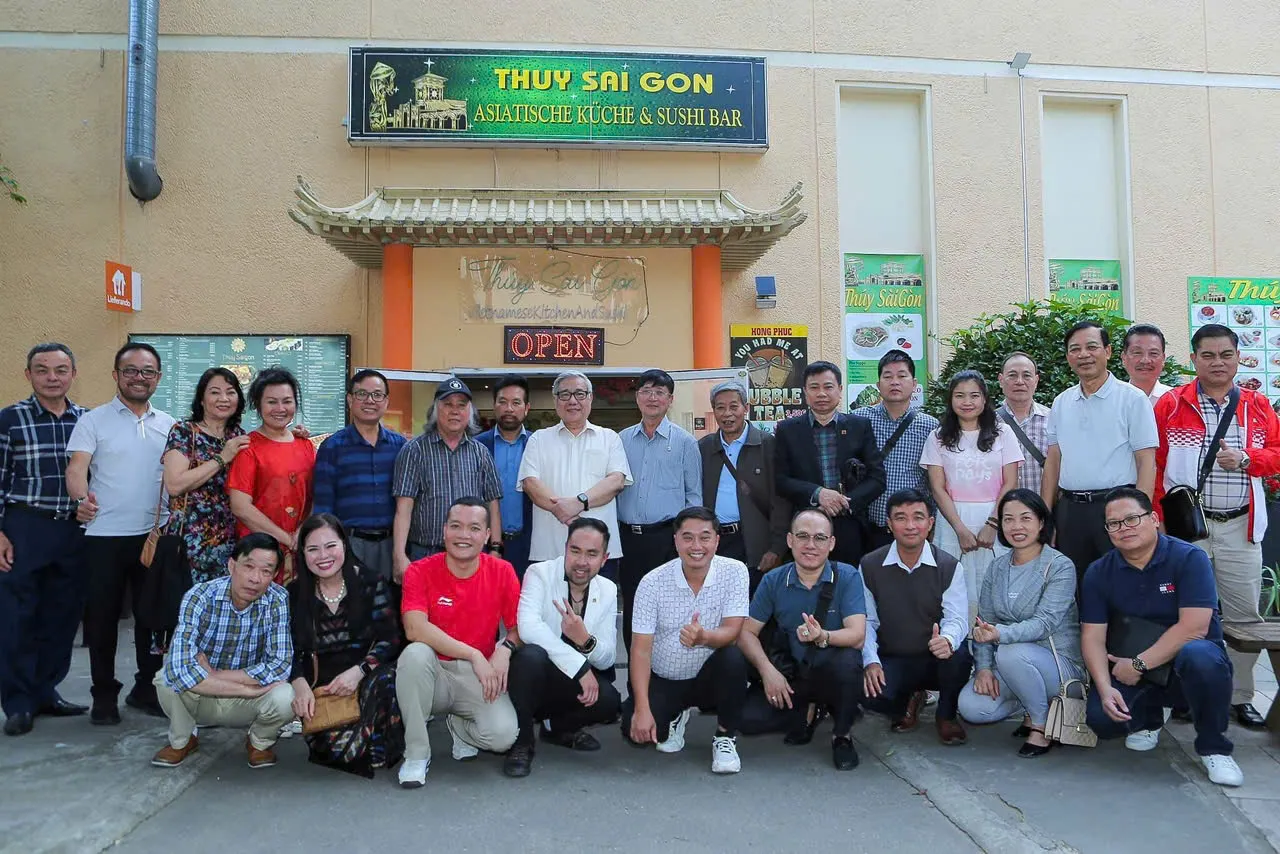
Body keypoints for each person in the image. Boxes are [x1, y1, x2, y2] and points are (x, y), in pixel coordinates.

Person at [1153, 323, 1278, 729]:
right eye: (1207, 355)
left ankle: (1238, 696)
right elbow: (1154, 464)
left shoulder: (1257, 406)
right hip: (1189, 530)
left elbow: (1277, 454)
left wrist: (1247, 460)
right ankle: (1187, 694)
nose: (1217, 362)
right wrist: (1157, 518)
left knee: (1245, 617)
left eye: (1226, 354)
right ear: (1194, 359)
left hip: (1241, 526)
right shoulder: (1172, 404)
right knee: (1186, 613)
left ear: (1238, 357)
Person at [1081, 488, 1243, 787]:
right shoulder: (1099, 572)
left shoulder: (1189, 558)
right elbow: (1092, 636)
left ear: (1154, 519)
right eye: (1114, 524)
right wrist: (1105, 690)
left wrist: (1139, 664)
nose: (1124, 528)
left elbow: (1194, 627)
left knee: (1200, 657)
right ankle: (1151, 717)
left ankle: (1214, 747)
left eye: (1132, 519)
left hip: (1184, 660)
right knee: (1102, 722)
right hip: (1136, 664)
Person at [66, 342, 176, 724]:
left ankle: (146, 689)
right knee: (102, 620)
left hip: (154, 536)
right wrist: (80, 499)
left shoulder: (170, 424)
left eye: (147, 371)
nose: (139, 378)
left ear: (158, 378)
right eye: (130, 370)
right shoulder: (93, 421)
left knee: (152, 619)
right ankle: (103, 695)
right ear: (116, 375)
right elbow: (77, 468)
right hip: (103, 535)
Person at [395, 497, 522, 789]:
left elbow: (519, 628)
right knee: (414, 654)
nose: (464, 535)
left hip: (476, 675)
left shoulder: (502, 571)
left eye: (474, 528)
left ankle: (460, 726)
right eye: (456, 526)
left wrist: (506, 649)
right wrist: (474, 654)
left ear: (487, 536)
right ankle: (416, 753)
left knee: (503, 736)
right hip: (433, 673)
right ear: (444, 531)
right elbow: (414, 627)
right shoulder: (420, 570)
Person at [0, 343, 90, 736]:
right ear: (28, 375)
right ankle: (18, 703)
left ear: (73, 374)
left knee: (62, 616)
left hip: (72, 529)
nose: (52, 377)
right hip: (25, 526)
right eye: (42, 370)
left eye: (60, 369)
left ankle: (45, 691)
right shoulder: (9, 420)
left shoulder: (87, 420)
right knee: (17, 618)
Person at [621, 507, 750, 774]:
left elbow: (733, 630)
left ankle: (725, 736)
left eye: (705, 537)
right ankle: (676, 715)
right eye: (688, 537)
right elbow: (640, 651)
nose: (696, 546)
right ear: (676, 540)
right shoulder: (652, 582)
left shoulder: (735, 571)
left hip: (709, 678)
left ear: (717, 540)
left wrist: (704, 637)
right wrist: (642, 709)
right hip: (666, 678)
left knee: (734, 658)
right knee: (634, 730)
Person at [150, 533, 295, 770]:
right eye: (248, 567)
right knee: (166, 678)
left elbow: (280, 665)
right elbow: (180, 668)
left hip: (242, 698)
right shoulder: (199, 596)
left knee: (286, 696)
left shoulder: (278, 599)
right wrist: (244, 689)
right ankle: (182, 740)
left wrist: (216, 675)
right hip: (208, 694)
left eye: (266, 571)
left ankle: (259, 743)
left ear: (274, 575)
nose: (255, 579)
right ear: (231, 565)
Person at [956, 489, 1083, 757]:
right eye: (1008, 519)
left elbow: (1044, 623)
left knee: (1010, 651)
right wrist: (984, 668)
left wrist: (998, 634)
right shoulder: (997, 567)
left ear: (1041, 522)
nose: (1017, 526)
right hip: (1011, 663)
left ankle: (1040, 724)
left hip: (1057, 665)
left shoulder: (1059, 566)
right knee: (971, 707)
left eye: (1025, 518)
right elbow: (984, 623)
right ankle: (1029, 703)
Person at [737, 508, 867, 770]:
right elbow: (746, 632)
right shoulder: (773, 580)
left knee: (848, 661)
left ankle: (841, 735)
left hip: (831, 668)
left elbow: (857, 635)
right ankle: (811, 709)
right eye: (803, 536)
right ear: (790, 540)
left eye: (820, 538)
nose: (810, 545)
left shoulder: (847, 576)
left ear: (831, 543)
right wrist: (768, 672)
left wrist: (823, 636)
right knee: (747, 721)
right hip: (793, 673)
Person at [1041, 321, 1158, 597]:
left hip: (1118, 509)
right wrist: (1046, 517)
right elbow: (1053, 461)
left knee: (1124, 587)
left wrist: (1139, 516)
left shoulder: (1132, 399)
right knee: (1075, 589)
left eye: (1091, 347)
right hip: (1071, 511)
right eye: (1075, 349)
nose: (1083, 354)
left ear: (1107, 351)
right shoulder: (1061, 402)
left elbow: (1146, 461)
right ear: (1068, 356)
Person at [504, 517, 621, 778]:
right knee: (530, 657)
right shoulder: (539, 573)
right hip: (533, 677)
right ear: (565, 548)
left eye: (592, 554)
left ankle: (556, 728)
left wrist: (585, 640)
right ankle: (522, 742)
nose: (582, 561)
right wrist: (579, 666)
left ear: (604, 559)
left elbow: (607, 658)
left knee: (610, 701)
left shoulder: (608, 589)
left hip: (567, 683)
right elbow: (528, 628)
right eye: (575, 551)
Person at [288, 513, 403, 777]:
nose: (323, 556)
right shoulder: (294, 593)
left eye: (331, 546)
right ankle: (362, 741)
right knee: (339, 751)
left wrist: (359, 671)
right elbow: (287, 649)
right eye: (313, 549)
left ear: (344, 544)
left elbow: (390, 639)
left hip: (365, 680)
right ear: (303, 553)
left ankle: (375, 739)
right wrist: (299, 683)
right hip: (324, 691)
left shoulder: (370, 583)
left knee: (389, 678)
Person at [861, 489, 972, 745]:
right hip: (893, 656)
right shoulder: (869, 565)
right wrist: (871, 661)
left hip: (934, 657)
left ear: (930, 523)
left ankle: (946, 714)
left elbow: (957, 618)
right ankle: (910, 698)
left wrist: (947, 639)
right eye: (901, 518)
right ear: (889, 524)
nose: (910, 525)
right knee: (869, 694)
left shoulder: (949, 566)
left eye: (918, 517)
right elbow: (867, 621)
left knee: (959, 655)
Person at [920, 369, 1022, 616]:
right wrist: (960, 529)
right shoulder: (937, 437)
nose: (967, 402)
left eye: (974, 395)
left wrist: (993, 523)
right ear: (950, 399)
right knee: (954, 589)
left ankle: (993, 635)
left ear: (984, 399)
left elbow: (1010, 482)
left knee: (995, 587)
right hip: (952, 520)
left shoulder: (1003, 433)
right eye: (960, 395)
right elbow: (937, 488)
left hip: (995, 516)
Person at [617, 369, 702, 648]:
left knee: (668, 608)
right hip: (627, 539)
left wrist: (687, 541)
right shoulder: (621, 440)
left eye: (659, 392)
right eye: (646, 391)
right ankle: (635, 672)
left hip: (666, 539)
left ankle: (666, 669)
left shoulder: (685, 442)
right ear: (637, 397)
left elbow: (694, 497)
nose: (652, 398)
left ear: (670, 399)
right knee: (632, 606)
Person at [518, 371, 632, 577]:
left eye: (580, 394)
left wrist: (579, 502)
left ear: (590, 398)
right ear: (555, 400)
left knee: (598, 599)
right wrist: (567, 514)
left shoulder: (609, 438)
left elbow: (616, 481)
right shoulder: (538, 440)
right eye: (565, 394)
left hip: (599, 552)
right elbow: (530, 483)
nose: (572, 401)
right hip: (550, 550)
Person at [775, 361, 885, 567]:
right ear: (805, 392)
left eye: (828, 387)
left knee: (847, 579)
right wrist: (818, 494)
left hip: (849, 524)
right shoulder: (787, 430)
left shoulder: (859, 426)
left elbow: (877, 478)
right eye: (814, 387)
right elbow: (781, 480)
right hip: (806, 524)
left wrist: (843, 503)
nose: (821, 394)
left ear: (840, 390)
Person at [391, 377, 502, 582]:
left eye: (461, 405)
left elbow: (492, 504)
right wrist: (399, 555)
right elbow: (403, 509)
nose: (455, 411)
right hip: (425, 554)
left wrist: (495, 549)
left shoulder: (481, 453)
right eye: (448, 404)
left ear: (470, 412)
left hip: (472, 556)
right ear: (435, 410)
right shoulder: (414, 451)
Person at [312, 370, 407, 583]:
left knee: (390, 602)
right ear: (350, 399)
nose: (369, 401)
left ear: (386, 401)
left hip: (392, 545)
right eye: (362, 394)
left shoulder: (400, 446)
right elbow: (323, 507)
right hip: (349, 544)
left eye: (377, 395)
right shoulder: (332, 447)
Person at [227, 367, 315, 587]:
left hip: (301, 552)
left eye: (287, 401)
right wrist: (287, 539)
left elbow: (315, 495)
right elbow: (240, 506)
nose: (280, 409)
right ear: (258, 404)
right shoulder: (248, 448)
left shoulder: (305, 445)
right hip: (258, 553)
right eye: (271, 402)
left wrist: (301, 534)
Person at [161, 368, 250, 586]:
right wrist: (222, 458)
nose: (223, 398)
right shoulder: (184, 431)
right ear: (201, 399)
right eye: (214, 392)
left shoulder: (238, 436)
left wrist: (292, 435)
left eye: (230, 392)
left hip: (229, 543)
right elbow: (174, 485)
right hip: (190, 543)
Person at [698, 380, 788, 591]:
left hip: (755, 543)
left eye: (733, 406)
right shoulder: (704, 448)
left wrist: (777, 548)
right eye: (720, 407)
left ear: (746, 408)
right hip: (715, 542)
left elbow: (781, 501)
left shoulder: (767, 444)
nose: (727, 414)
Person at [853, 350, 939, 552]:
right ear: (878, 384)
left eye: (902, 376)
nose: (895, 382)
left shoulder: (930, 426)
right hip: (868, 527)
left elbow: (935, 481)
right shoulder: (859, 420)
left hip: (912, 530)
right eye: (888, 376)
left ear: (914, 383)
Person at [477, 374, 534, 579]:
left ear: (526, 408)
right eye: (503, 402)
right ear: (494, 405)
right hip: (485, 545)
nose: (509, 408)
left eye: (516, 403)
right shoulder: (477, 446)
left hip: (529, 544)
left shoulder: (538, 445)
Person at [996, 352, 1051, 495]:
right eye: (1012, 375)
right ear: (1001, 380)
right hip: (1001, 507)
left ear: (1036, 381)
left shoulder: (1053, 420)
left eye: (1026, 375)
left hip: (1043, 506)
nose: (1019, 381)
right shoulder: (988, 423)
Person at [1121, 323, 1173, 405]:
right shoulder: (1113, 400)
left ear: (1163, 359)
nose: (1145, 360)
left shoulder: (1176, 401)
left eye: (1153, 353)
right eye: (1137, 352)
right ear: (1124, 358)